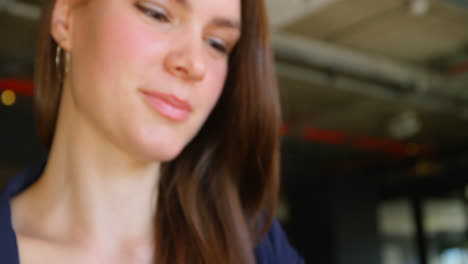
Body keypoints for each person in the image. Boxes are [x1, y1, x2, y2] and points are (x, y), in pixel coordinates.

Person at [0, 0, 305, 263]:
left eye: (217, 44)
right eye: (157, 13)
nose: (195, 63)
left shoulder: (254, 246)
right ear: (66, 17)